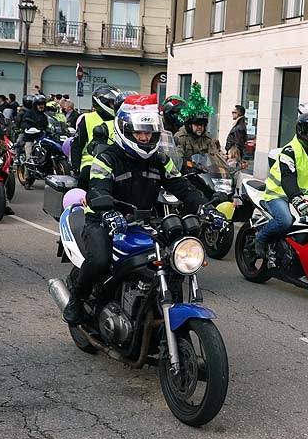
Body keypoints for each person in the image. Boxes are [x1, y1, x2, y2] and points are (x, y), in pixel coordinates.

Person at [63, 95, 214, 326]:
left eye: (149, 133)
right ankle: (77, 298)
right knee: (100, 261)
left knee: (173, 260)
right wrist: (108, 212)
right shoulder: (107, 158)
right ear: (125, 130)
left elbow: (183, 187)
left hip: (144, 223)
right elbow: (97, 189)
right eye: (138, 132)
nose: (144, 137)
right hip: (103, 220)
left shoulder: (160, 160)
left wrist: (207, 208)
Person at [255, 112, 308, 258]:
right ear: (302, 132)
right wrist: (296, 198)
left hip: (306, 196)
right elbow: (288, 177)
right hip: (279, 194)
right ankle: (261, 238)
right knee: (285, 221)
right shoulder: (290, 150)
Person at [70, 86, 120, 189]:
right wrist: (75, 169)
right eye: (112, 102)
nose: (115, 106)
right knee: (85, 175)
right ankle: (81, 199)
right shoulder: (88, 119)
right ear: (102, 102)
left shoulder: (120, 119)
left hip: (115, 159)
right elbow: (77, 145)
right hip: (91, 160)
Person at [175, 85, 222, 159]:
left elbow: (215, 156)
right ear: (190, 124)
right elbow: (177, 158)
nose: (200, 127)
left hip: (204, 170)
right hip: (186, 170)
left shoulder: (207, 138)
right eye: (197, 124)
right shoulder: (180, 137)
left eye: (202, 125)